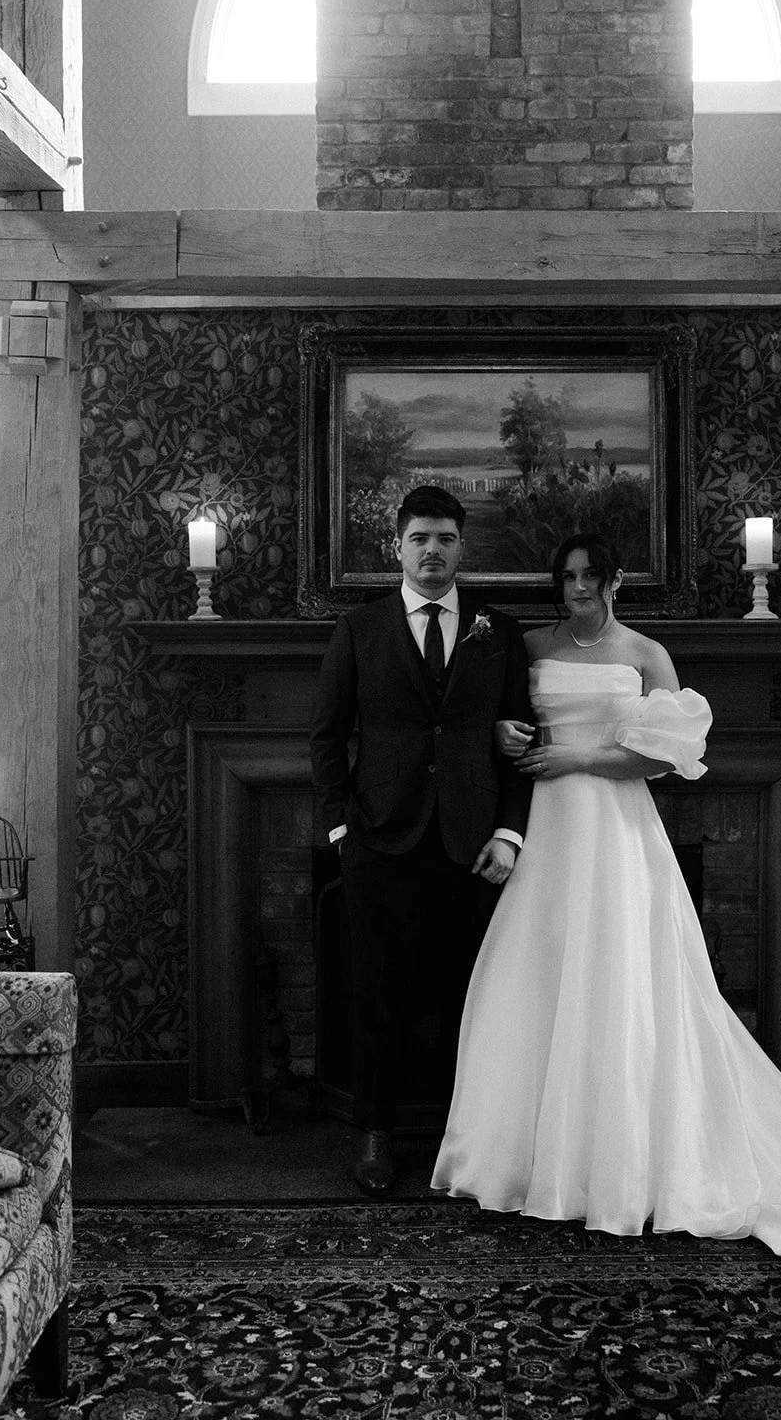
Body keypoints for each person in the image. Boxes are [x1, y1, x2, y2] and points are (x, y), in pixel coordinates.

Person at [431, 531, 781, 1268]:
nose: (579, 589)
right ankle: (527, 1160)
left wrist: (577, 756)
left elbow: (663, 757)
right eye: (568, 578)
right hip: (544, 831)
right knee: (532, 978)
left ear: (615, 581)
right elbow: (480, 718)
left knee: (624, 984)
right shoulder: (525, 645)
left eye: (591, 576)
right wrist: (502, 730)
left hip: (615, 834)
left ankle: (623, 1164)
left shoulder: (646, 655)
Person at [309, 484, 532, 1196]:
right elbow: (326, 737)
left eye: (443, 539)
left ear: (462, 548)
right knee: (378, 992)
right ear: (397, 548)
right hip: (380, 840)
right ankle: (373, 1134)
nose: (431, 551)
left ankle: (469, 1138)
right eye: (418, 539)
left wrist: (508, 833)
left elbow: (523, 741)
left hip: (472, 845)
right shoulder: (360, 629)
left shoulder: (499, 630)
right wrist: (343, 827)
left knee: (475, 994)